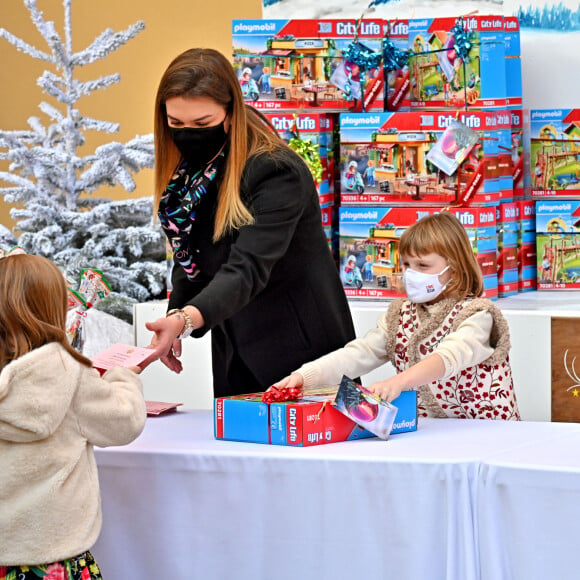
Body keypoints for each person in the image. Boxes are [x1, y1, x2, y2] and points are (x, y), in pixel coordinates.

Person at [146, 48, 356, 398]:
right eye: (176, 125)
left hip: (301, 354)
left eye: (202, 124)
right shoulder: (193, 174)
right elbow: (191, 254)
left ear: (231, 114)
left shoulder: (275, 171)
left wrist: (185, 320)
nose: (188, 135)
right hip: (235, 353)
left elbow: (248, 267)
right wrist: (174, 317)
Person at [273, 212, 520, 420]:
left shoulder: (478, 315)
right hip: (433, 437)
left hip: (486, 433)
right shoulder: (399, 315)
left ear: (454, 269)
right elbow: (359, 354)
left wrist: (398, 382)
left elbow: (449, 357)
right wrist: (303, 376)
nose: (411, 274)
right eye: (406, 265)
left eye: (423, 266)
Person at [0, 254, 147, 578]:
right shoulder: (68, 375)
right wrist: (124, 377)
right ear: (52, 309)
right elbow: (125, 422)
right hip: (53, 559)